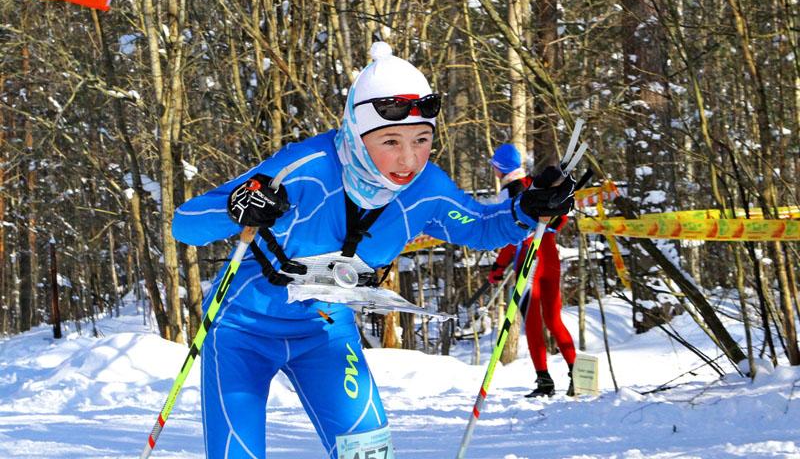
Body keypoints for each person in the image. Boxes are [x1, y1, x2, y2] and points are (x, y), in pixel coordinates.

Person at [172, 42, 575, 458]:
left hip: (324, 328)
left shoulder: (426, 189)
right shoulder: (304, 168)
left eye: (422, 140)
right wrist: (237, 206)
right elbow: (184, 225)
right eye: (390, 141)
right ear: (357, 133)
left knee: (368, 451)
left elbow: (483, 228)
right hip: (242, 327)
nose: (408, 159)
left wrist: (527, 211)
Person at [487, 143, 577, 398]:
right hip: (549, 255)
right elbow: (561, 216)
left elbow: (511, 236)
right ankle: (577, 375)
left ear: (500, 168)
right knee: (554, 318)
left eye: (494, 165)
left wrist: (498, 266)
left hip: (528, 259)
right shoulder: (533, 183)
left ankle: (544, 381)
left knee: (534, 323)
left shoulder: (509, 193)